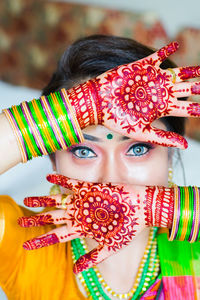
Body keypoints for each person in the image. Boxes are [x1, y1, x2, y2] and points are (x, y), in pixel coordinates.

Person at [0, 35, 200, 300]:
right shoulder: (28, 247)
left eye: (138, 149)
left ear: (170, 156)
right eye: (84, 151)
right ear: (53, 161)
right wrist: (83, 105)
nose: (111, 178)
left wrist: (165, 208)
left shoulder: (190, 237)